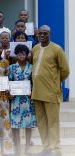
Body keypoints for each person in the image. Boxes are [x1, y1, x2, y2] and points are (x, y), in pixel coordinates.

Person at [32, 25, 70, 156]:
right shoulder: (35, 48)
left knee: (52, 121)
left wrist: (55, 82)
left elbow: (65, 70)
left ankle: (55, 147)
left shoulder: (57, 49)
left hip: (51, 92)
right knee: (41, 122)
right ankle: (46, 147)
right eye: (40, 33)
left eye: (45, 33)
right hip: (36, 92)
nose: (42, 35)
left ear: (50, 34)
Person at [8, 44, 36, 155]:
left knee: (28, 125)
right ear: (15, 54)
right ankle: (18, 149)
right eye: (18, 53)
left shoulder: (32, 67)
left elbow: (34, 83)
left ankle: (27, 148)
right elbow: (8, 82)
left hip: (28, 100)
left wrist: (33, 91)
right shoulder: (11, 67)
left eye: (23, 53)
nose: (21, 55)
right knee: (16, 125)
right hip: (16, 100)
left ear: (27, 54)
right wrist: (9, 93)